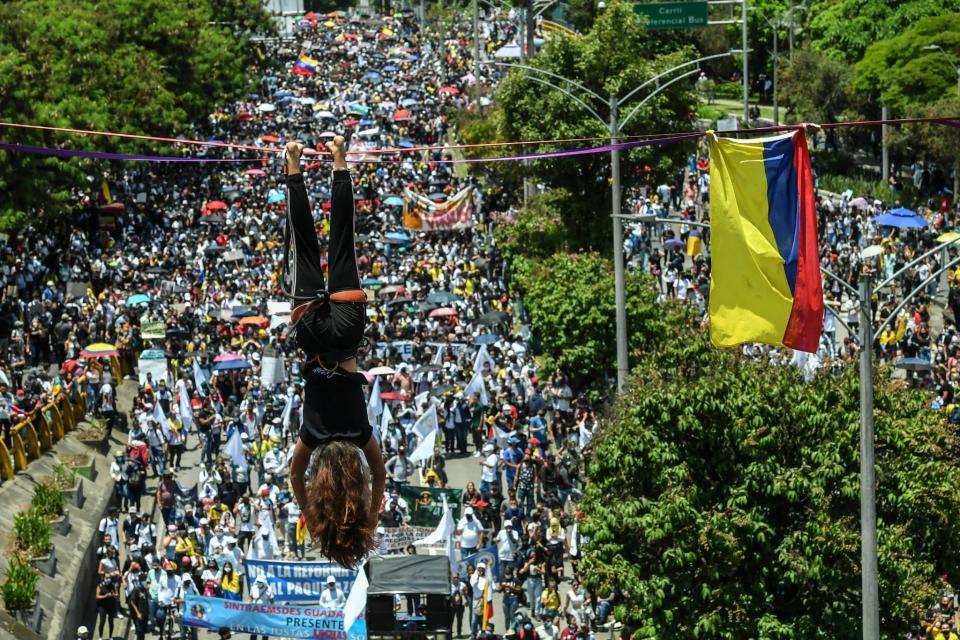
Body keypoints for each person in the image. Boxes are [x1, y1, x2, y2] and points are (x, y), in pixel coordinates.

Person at [286, 138, 386, 568]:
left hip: (346, 333)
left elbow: (379, 474)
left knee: (343, 239)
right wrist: (309, 516)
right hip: (310, 333)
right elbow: (294, 476)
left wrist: (373, 513)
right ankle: (293, 162)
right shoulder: (311, 439)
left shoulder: (362, 435)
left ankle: (339, 156)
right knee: (304, 245)